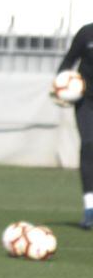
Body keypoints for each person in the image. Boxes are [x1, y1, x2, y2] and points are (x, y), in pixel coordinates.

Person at [54, 22, 93, 229]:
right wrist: (59, 87)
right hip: (86, 101)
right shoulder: (86, 34)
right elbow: (68, 61)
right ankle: (90, 209)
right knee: (88, 145)